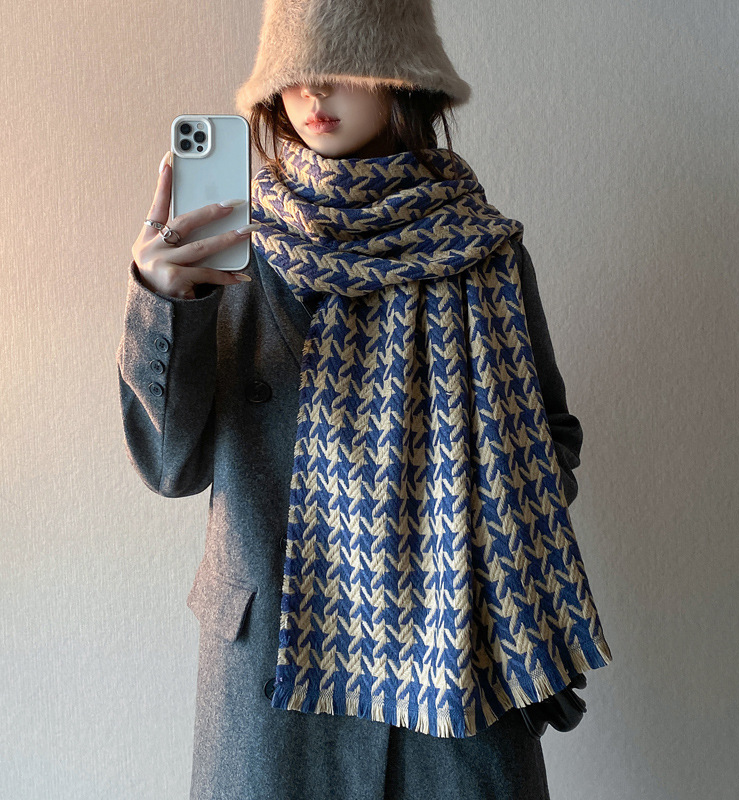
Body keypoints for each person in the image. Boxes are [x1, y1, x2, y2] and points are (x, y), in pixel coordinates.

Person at [117, 2, 612, 798]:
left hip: (455, 660)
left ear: (401, 76)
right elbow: (171, 466)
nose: (313, 93)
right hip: (275, 673)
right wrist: (162, 303)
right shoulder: (234, 250)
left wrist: (484, 528)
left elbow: (550, 434)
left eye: (340, 65)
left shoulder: (482, 252)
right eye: (293, 75)